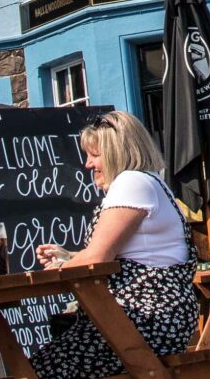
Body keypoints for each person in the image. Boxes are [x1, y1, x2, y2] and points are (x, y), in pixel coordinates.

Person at [30, 111, 198, 378]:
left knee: (38, 371)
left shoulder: (130, 182)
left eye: (94, 155)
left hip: (142, 321)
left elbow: (98, 257)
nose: (87, 164)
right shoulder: (149, 181)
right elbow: (136, 253)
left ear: (116, 152)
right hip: (158, 318)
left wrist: (61, 269)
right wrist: (69, 257)